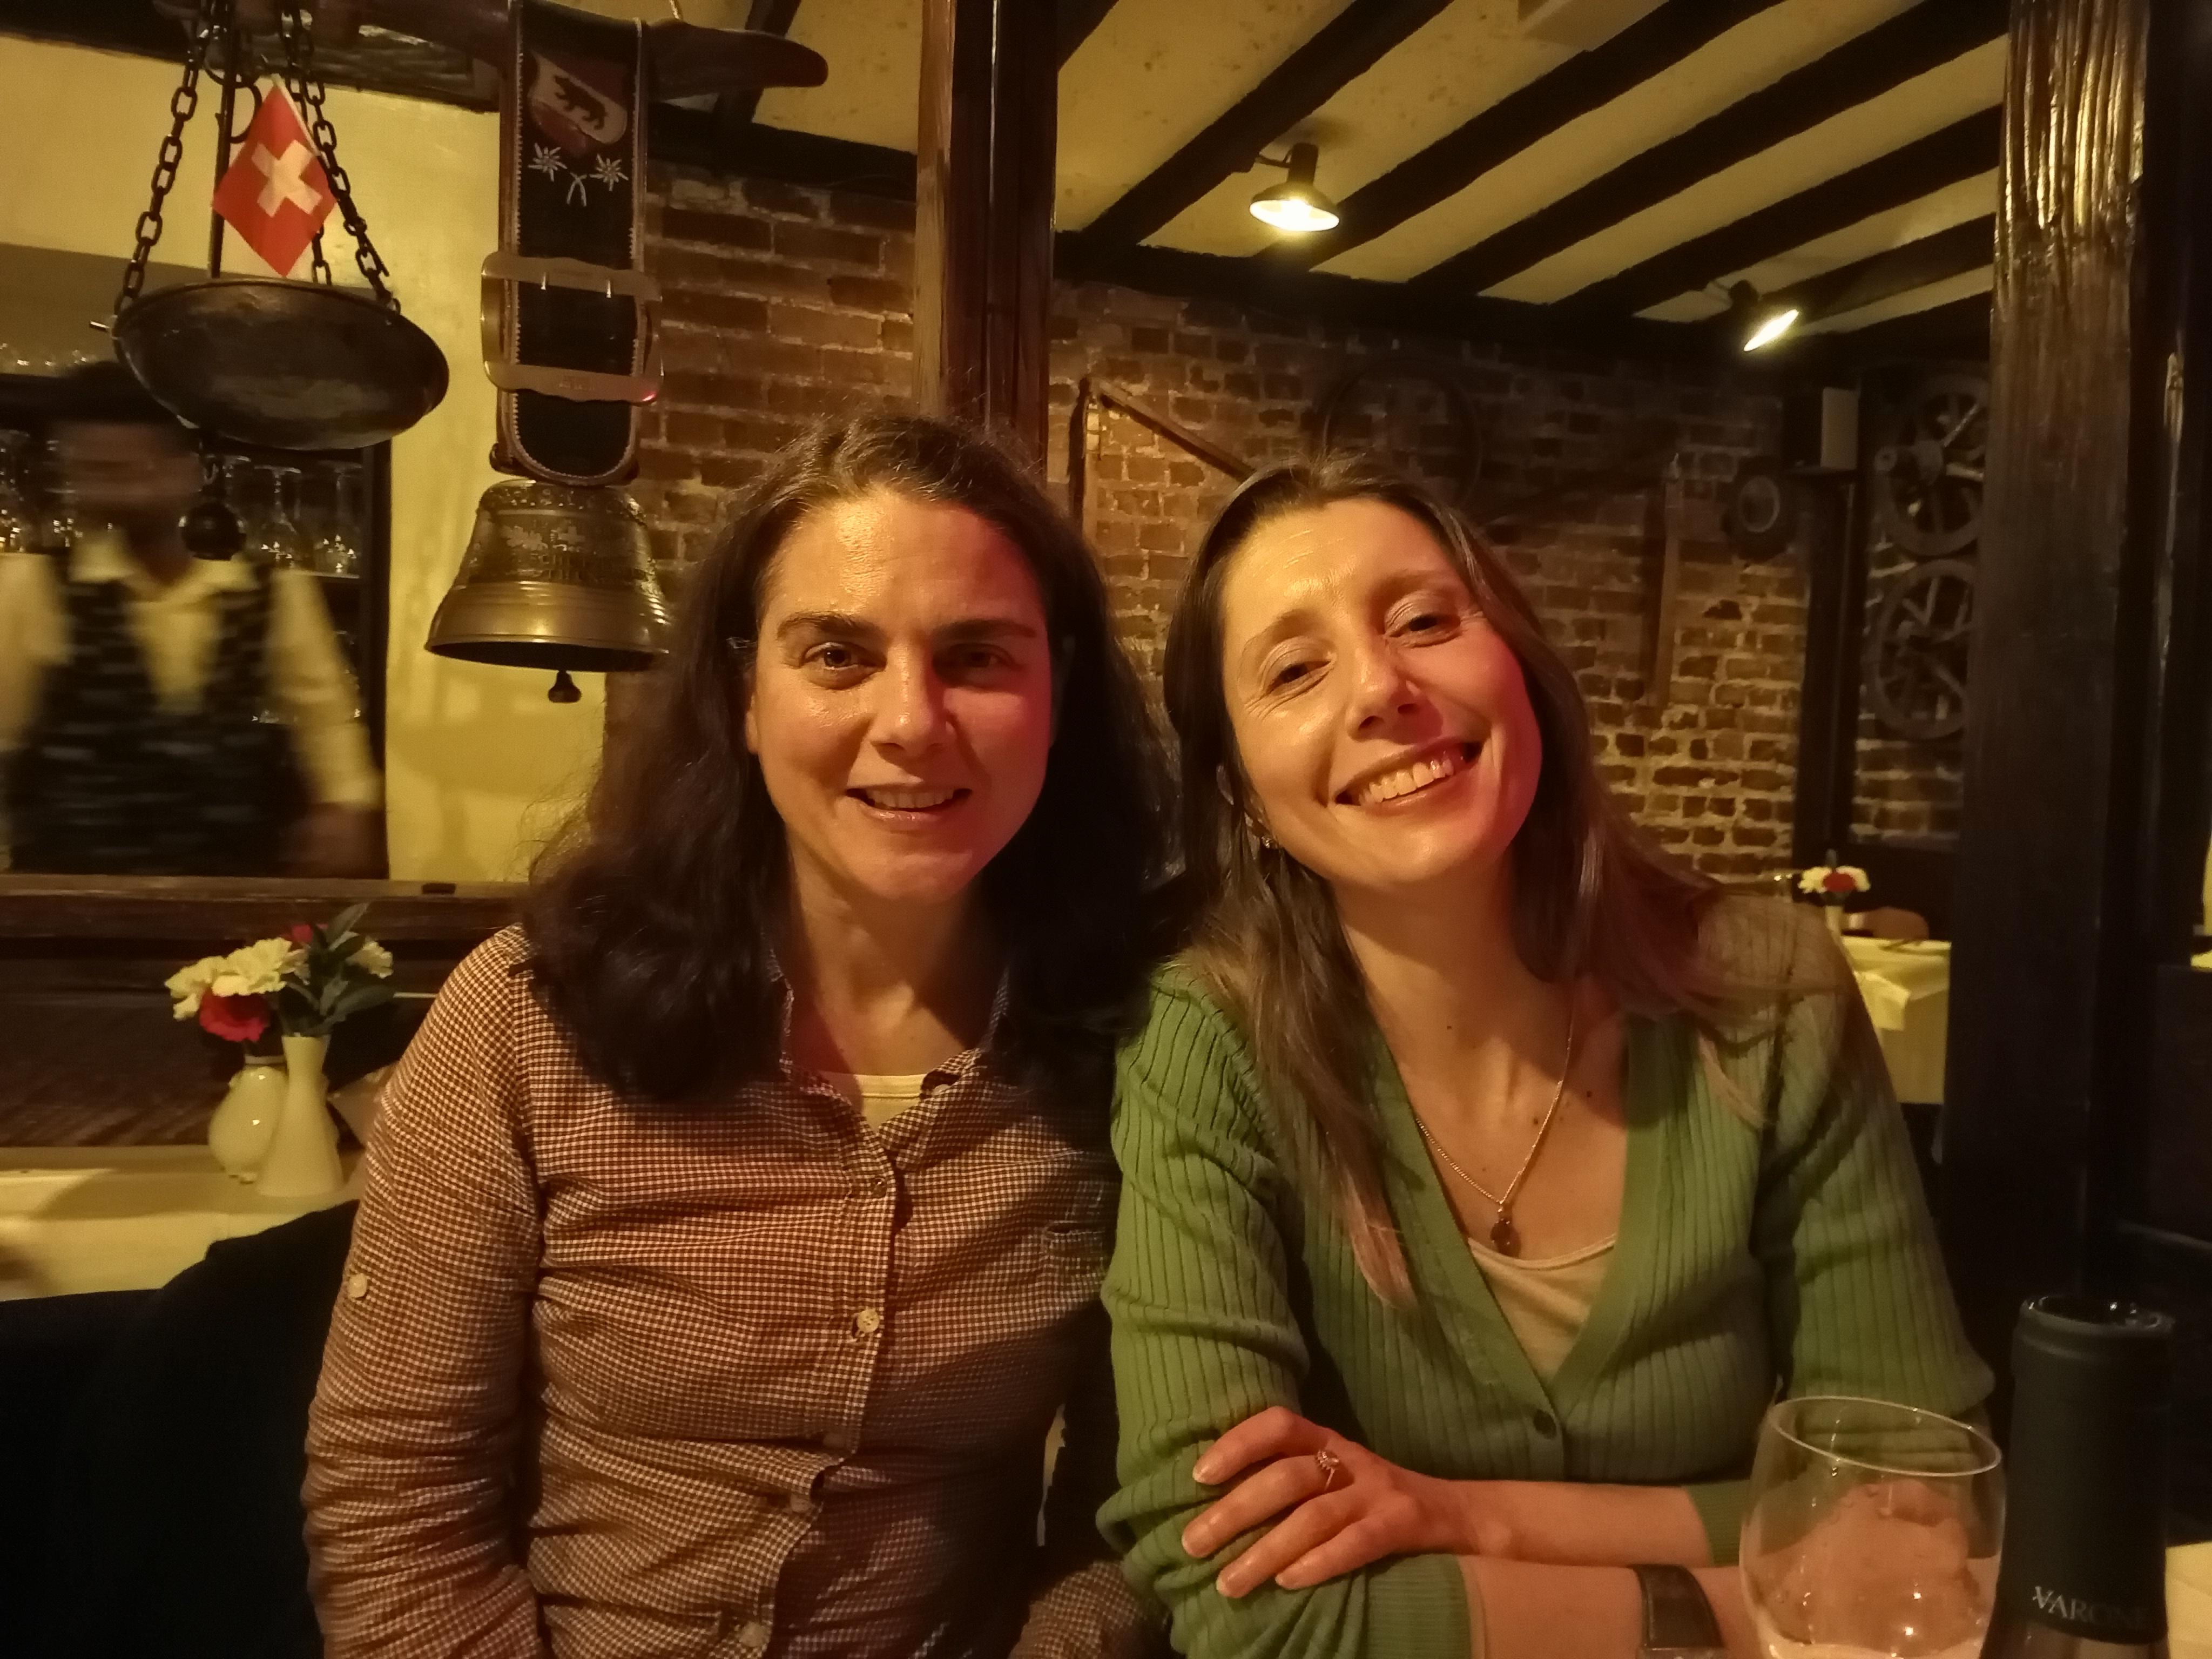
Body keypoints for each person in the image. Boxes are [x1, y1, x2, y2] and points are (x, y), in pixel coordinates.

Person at [305, 412, 1173, 1657]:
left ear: (1057, 693)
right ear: (744, 693)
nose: (910, 720)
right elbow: (397, 1495)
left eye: (976, 656)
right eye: (837, 655)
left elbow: (1127, 1514)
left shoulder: (1135, 1042)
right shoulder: (529, 1014)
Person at [1100, 453, 1991, 1658]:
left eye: (1425, 620)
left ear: (1519, 669)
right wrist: (1744, 1594)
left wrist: (1472, 1518)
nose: (1381, 688)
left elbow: (1917, 1519)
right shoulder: (1208, 1042)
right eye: (1295, 669)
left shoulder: (1767, 996)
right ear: (1244, 797)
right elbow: (1242, 1602)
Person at [0, 361, 381, 875]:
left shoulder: (274, 596)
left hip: (225, 893)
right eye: (96, 472)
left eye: (134, 470)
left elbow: (328, 721)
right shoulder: (32, 588)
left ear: (186, 472)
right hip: (71, 897)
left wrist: (344, 807)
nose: (122, 493)